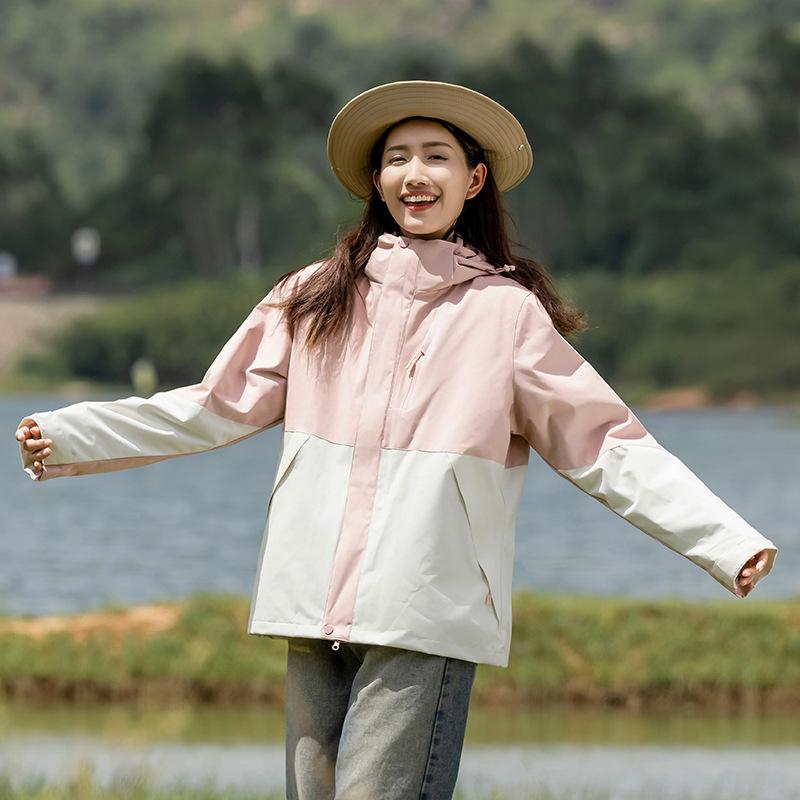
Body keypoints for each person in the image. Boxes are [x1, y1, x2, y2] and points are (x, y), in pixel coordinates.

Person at [15, 80, 778, 799]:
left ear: (474, 180)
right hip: (308, 601)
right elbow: (210, 408)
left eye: (436, 157)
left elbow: (604, 444)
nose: (415, 174)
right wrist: (70, 434)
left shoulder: (506, 315)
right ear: (377, 181)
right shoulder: (312, 295)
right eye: (398, 158)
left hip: (425, 606)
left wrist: (723, 540)